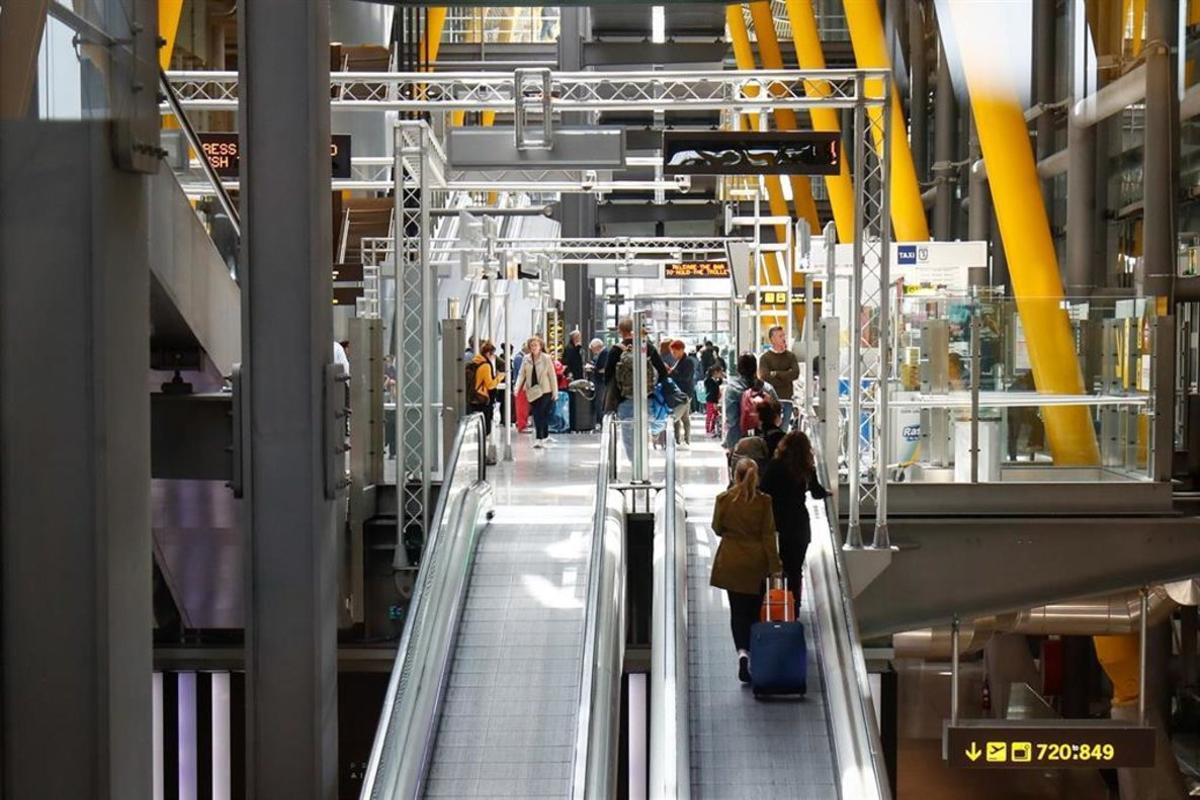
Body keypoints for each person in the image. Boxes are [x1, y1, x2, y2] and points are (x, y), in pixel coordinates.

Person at [710, 457, 782, 683]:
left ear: (735, 475)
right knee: (753, 612)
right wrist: (775, 567)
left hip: (731, 560)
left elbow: (717, 528)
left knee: (737, 611)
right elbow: (768, 535)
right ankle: (754, 654)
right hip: (756, 563)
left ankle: (742, 653)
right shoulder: (764, 501)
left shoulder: (724, 499)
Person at [759, 431, 829, 618]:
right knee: (795, 569)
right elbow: (816, 492)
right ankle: (794, 607)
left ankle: (774, 606)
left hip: (776, 524)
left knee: (774, 567)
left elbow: (763, 491)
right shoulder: (806, 469)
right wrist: (828, 493)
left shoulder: (775, 466)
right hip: (799, 524)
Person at [604, 317, 669, 461]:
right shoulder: (648, 348)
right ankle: (644, 467)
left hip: (624, 400)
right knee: (645, 430)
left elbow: (607, 377)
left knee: (629, 438)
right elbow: (663, 373)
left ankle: (636, 469)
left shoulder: (615, 350)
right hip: (648, 398)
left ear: (620, 332)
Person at [723, 352, 778, 451]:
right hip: (764, 440)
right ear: (755, 368)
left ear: (738, 369)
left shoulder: (731, 389)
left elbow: (731, 418)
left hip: (737, 441)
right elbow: (777, 414)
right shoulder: (767, 388)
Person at [514, 336, 558, 449]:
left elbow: (552, 376)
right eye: (532, 345)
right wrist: (517, 387)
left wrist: (555, 392)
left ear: (540, 346)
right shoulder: (526, 359)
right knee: (537, 414)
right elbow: (521, 374)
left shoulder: (546, 358)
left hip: (545, 390)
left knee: (541, 413)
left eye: (536, 345)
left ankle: (540, 438)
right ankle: (543, 436)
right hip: (532, 391)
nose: (534, 347)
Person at [759, 325, 800, 431]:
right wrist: (786, 377)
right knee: (770, 431)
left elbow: (795, 374)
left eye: (783, 335)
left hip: (787, 399)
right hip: (771, 401)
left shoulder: (791, 356)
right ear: (772, 339)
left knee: (783, 431)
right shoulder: (765, 358)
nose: (783, 338)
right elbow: (765, 377)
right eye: (780, 336)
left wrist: (776, 373)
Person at [468, 340, 504, 437]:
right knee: (485, 426)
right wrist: (499, 377)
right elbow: (490, 385)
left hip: (473, 396)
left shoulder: (475, 362)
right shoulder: (485, 366)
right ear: (488, 353)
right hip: (482, 397)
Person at [668, 339, 696, 448]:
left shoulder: (688, 361)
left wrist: (672, 372)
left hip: (684, 394)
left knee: (678, 417)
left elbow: (685, 377)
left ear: (681, 350)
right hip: (682, 394)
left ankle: (680, 440)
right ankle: (683, 440)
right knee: (684, 417)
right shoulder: (679, 361)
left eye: (675, 352)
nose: (673, 354)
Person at [587, 338, 608, 427]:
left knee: (600, 402)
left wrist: (593, 368)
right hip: (600, 381)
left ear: (596, 347)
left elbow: (602, 368)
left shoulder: (604, 353)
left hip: (601, 382)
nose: (593, 352)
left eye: (592, 349)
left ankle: (601, 421)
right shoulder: (604, 353)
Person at [704, 364, 725, 438]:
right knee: (710, 416)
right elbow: (713, 392)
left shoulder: (712, 380)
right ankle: (708, 430)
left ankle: (712, 429)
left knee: (714, 415)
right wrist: (715, 403)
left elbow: (718, 384)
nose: (721, 374)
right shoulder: (709, 381)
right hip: (711, 401)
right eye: (720, 372)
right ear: (715, 372)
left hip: (713, 401)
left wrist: (721, 378)